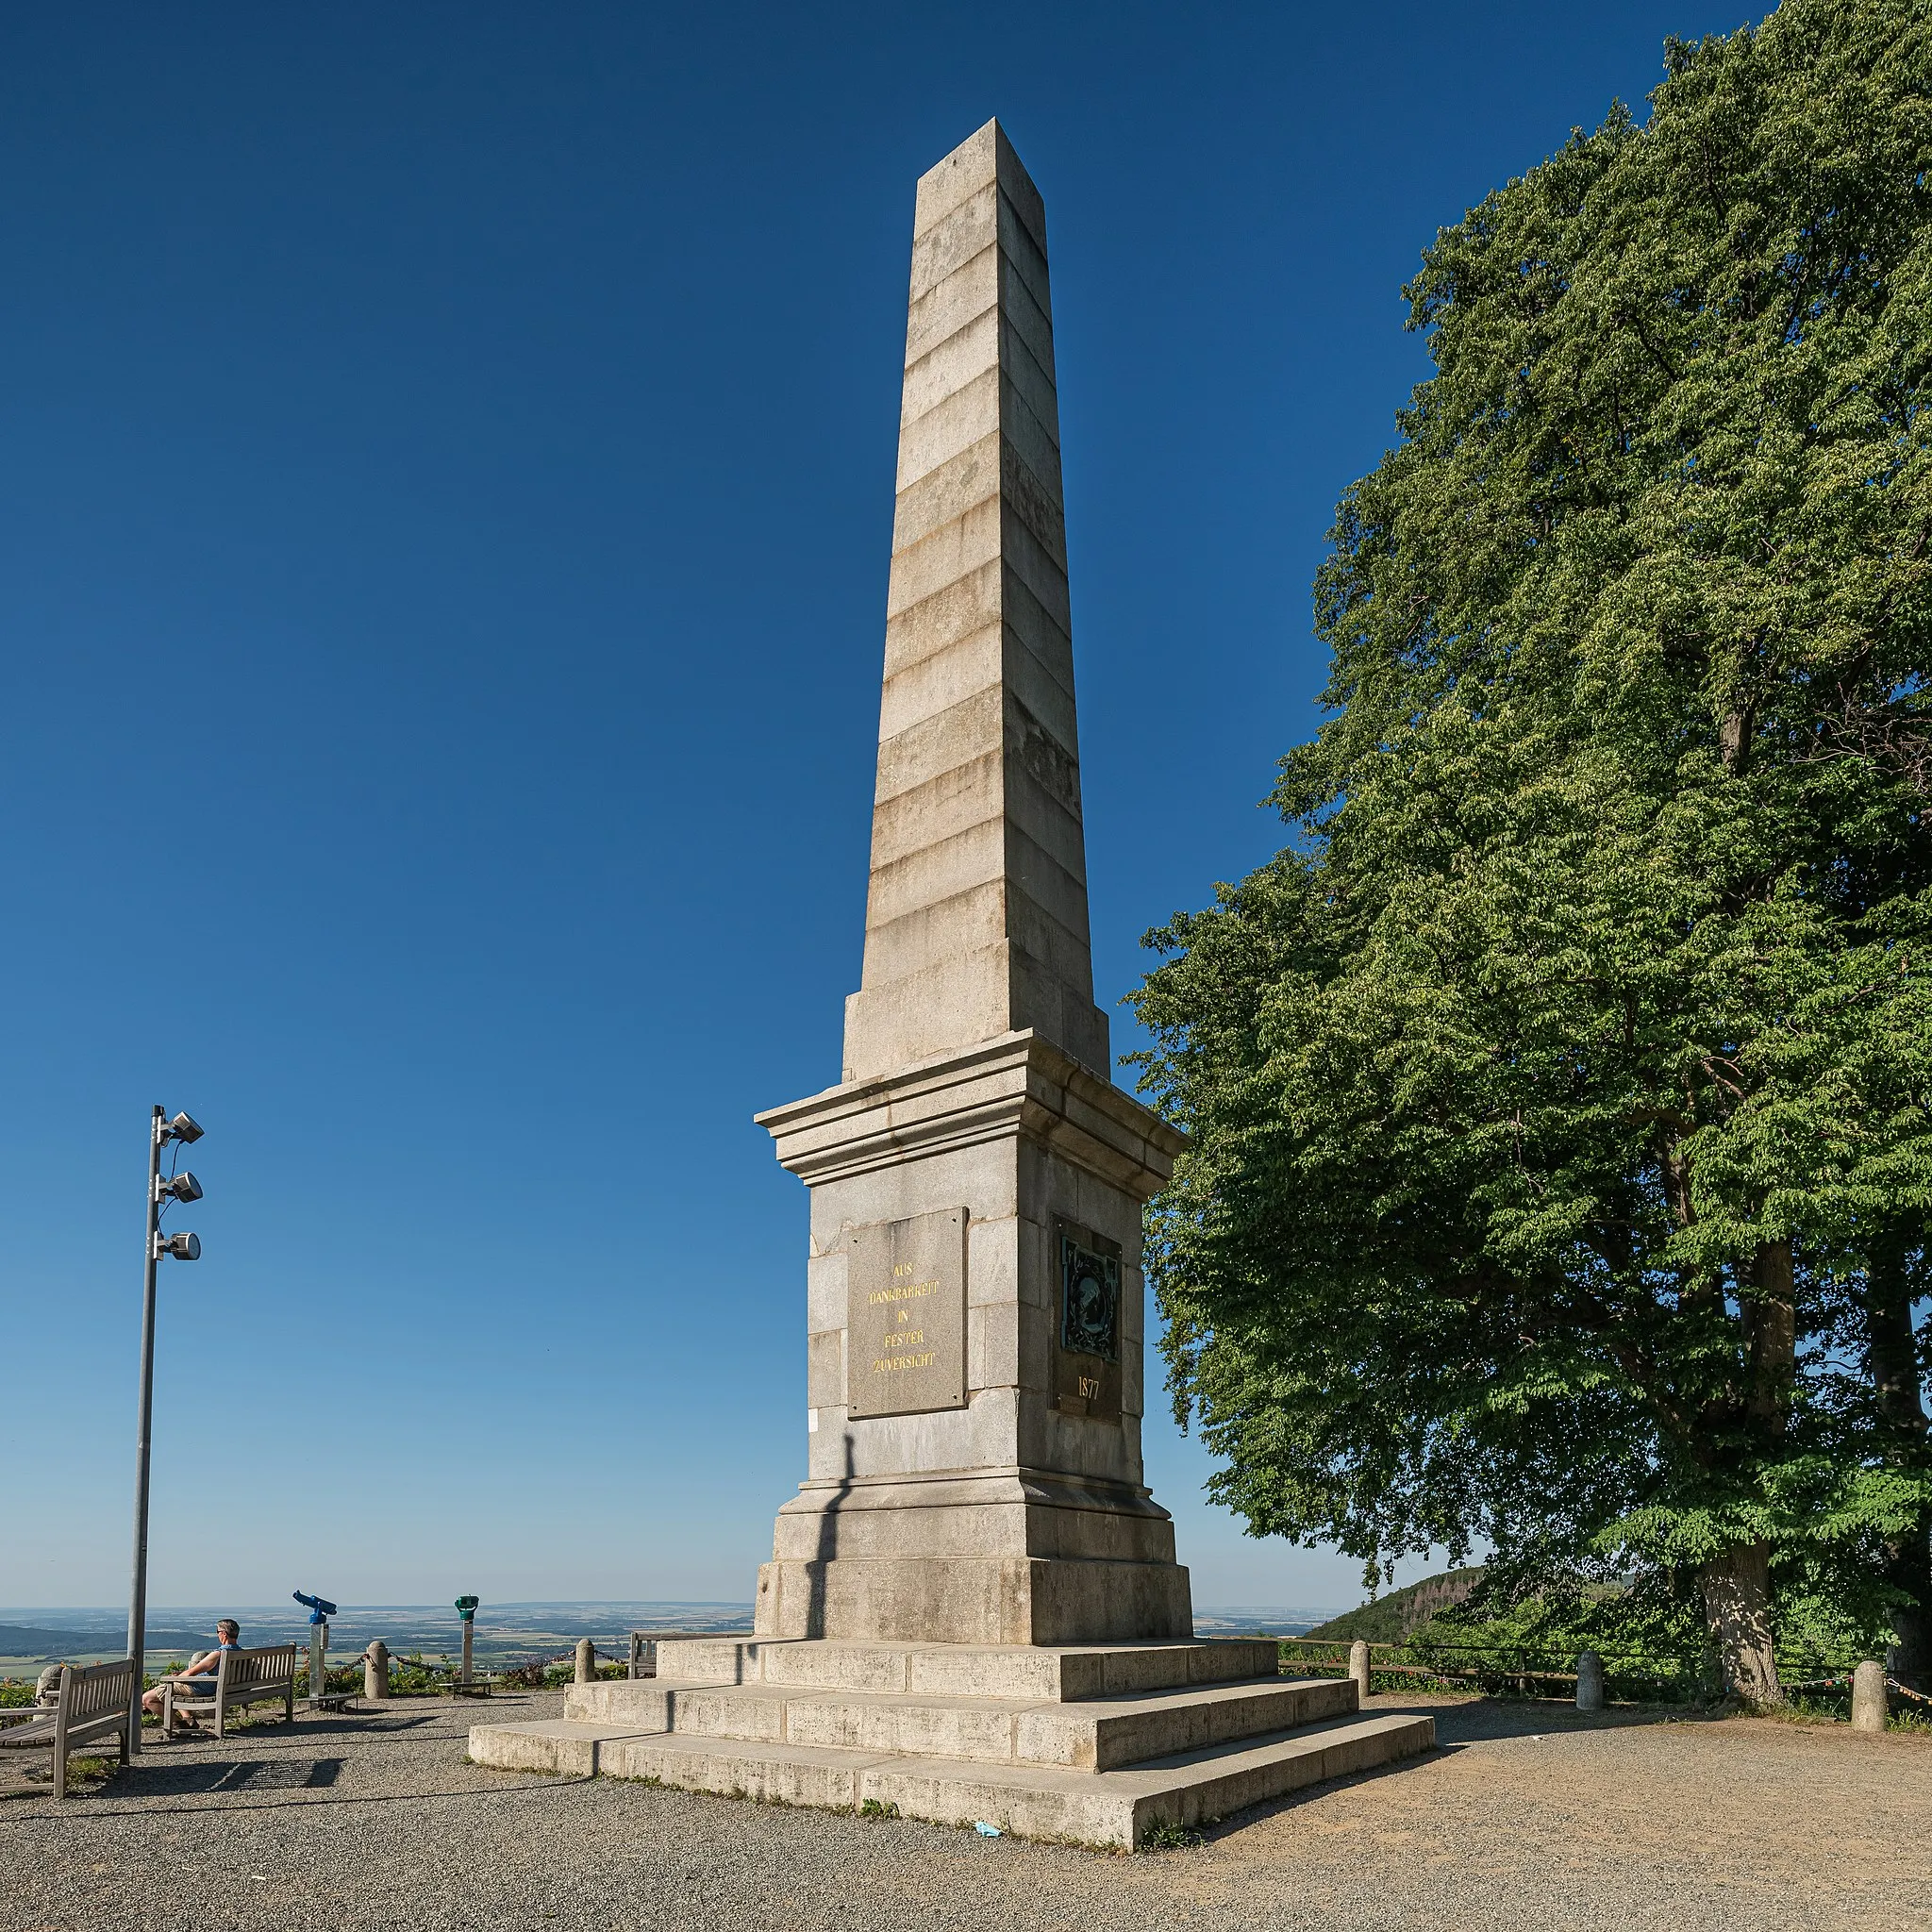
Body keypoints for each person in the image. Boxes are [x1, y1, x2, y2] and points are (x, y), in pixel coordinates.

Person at [142, 1619, 242, 1731]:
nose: (217, 1634)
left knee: (147, 1699)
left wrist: (175, 1678)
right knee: (175, 1686)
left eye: (217, 1631)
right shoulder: (241, 1653)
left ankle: (179, 1724)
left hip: (202, 1689)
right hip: (223, 1688)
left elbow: (190, 1673)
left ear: (224, 1633)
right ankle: (187, 1718)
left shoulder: (218, 1654)